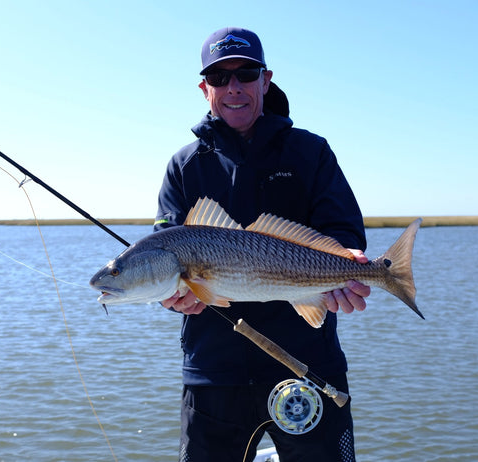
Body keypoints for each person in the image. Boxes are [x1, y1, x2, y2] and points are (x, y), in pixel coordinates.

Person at [154, 27, 371, 462]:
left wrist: (351, 267)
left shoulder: (311, 152)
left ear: (266, 81)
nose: (233, 87)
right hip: (213, 374)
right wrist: (170, 298)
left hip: (308, 365)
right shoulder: (183, 165)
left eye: (246, 74)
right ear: (204, 89)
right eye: (219, 78)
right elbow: (164, 250)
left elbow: (344, 233)